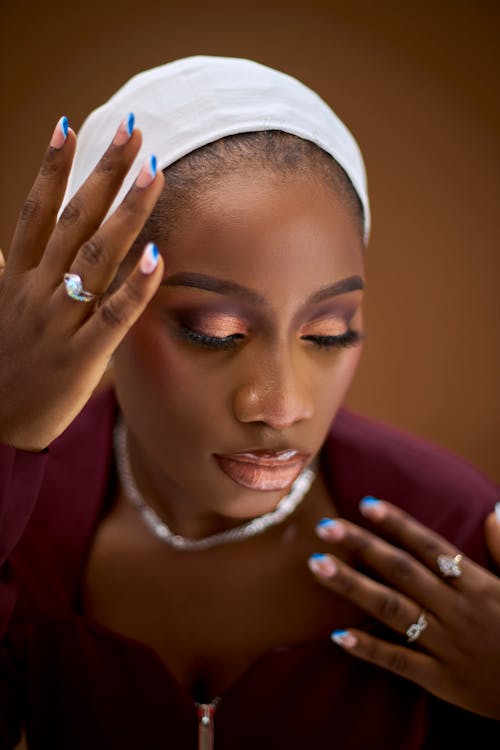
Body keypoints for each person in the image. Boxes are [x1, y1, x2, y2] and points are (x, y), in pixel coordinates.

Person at [0, 56, 499, 750]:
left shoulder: (454, 537)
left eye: (330, 332)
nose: (283, 404)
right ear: (99, 311)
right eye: (216, 332)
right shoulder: (22, 523)